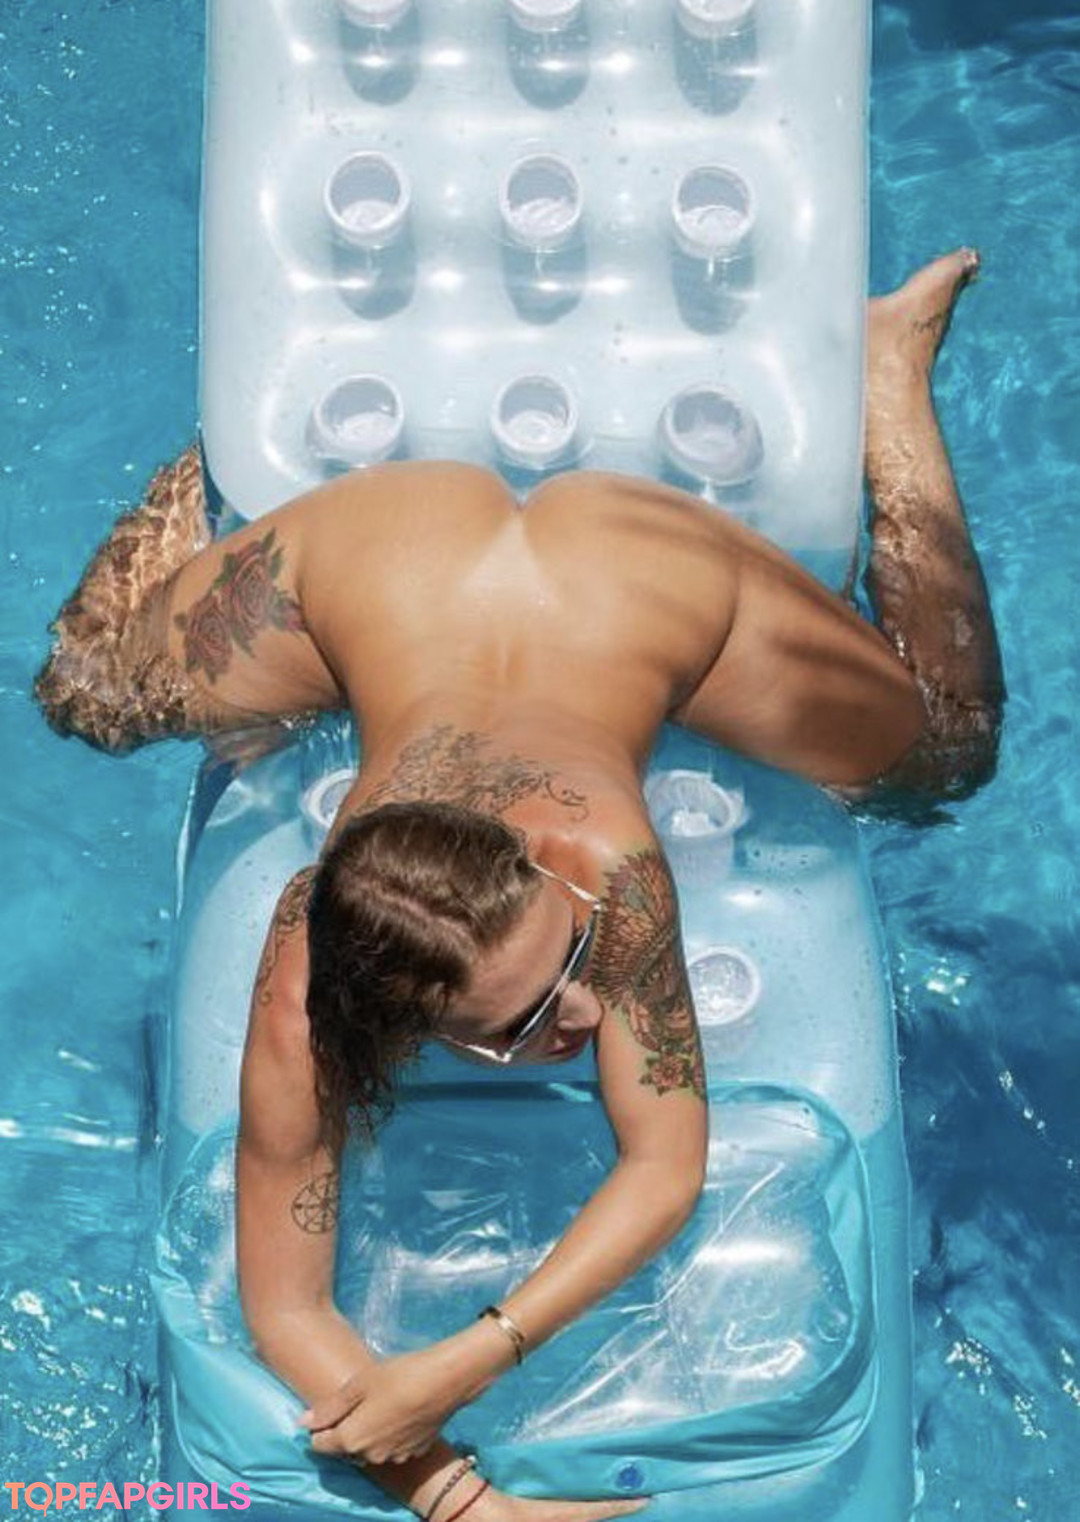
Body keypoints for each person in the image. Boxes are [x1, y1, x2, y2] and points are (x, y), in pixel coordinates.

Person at [36, 251, 1003, 1522]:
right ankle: (208, 461)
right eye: (530, 1020)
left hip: (645, 575)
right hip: (366, 562)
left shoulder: (602, 872)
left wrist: (469, 1358)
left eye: (568, 967)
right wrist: (458, 1498)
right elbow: (284, 1301)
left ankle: (889, 376)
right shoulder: (307, 979)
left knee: (944, 754)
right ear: (388, 1020)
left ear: (533, 869)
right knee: (85, 689)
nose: (589, 1014)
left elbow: (665, 1163)